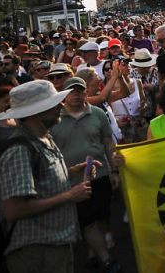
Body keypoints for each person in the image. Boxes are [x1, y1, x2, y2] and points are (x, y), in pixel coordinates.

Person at [0, 80, 95, 273]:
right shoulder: (19, 149)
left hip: (55, 244)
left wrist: (72, 171)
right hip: (36, 251)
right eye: (53, 104)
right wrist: (69, 196)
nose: (61, 106)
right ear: (36, 112)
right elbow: (14, 209)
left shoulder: (44, 137)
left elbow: (41, 178)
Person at [51, 77, 120, 273]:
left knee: (100, 216)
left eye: (80, 90)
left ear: (86, 92)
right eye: (72, 91)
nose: (77, 94)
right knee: (87, 220)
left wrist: (114, 171)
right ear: (64, 95)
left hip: (101, 175)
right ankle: (107, 260)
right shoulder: (54, 118)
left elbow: (108, 143)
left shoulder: (97, 113)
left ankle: (92, 254)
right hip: (73, 180)